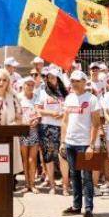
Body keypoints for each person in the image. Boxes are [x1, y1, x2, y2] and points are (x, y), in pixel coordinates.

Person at [61, 70, 101, 217]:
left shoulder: (92, 99)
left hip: (85, 144)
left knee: (87, 177)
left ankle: (89, 209)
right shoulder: (69, 98)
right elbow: (64, 121)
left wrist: (91, 145)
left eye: (78, 81)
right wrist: (63, 142)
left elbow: (96, 124)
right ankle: (76, 206)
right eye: (73, 81)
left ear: (85, 82)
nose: (75, 84)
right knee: (74, 176)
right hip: (70, 142)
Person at [36, 66, 69, 195]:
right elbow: (38, 109)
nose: (50, 80)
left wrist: (63, 115)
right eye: (48, 77)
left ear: (58, 78)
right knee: (49, 157)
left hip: (63, 127)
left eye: (53, 77)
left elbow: (69, 109)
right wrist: (50, 113)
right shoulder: (43, 92)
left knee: (63, 156)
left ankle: (65, 186)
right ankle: (52, 186)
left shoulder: (65, 93)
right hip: (47, 126)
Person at [18, 76, 42, 192]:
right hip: (22, 131)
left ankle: (32, 184)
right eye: (28, 84)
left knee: (32, 159)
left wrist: (37, 120)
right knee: (24, 159)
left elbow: (38, 112)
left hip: (33, 131)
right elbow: (16, 114)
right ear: (23, 85)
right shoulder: (18, 98)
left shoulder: (36, 98)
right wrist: (21, 122)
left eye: (32, 85)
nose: (30, 86)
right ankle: (27, 184)